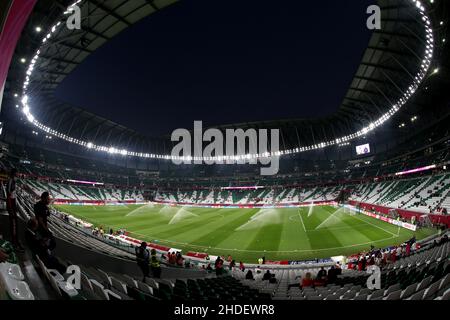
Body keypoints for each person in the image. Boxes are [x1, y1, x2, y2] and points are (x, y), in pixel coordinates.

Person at [6, 168, 23, 252]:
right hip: (11, 206)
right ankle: (14, 243)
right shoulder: (10, 181)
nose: (18, 174)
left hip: (13, 205)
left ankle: (16, 241)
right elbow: (9, 195)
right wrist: (11, 209)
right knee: (13, 225)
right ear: (14, 174)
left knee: (15, 224)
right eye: (17, 173)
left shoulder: (14, 181)